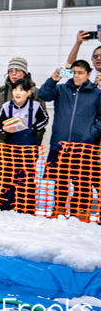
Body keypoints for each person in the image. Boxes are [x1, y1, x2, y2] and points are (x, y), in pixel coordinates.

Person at [38, 60, 101, 220]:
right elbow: (43, 94)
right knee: (60, 180)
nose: (77, 76)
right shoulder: (61, 89)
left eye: (81, 73)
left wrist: (91, 132)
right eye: (73, 72)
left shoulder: (96, 93)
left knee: (83, 182)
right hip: (60, 145)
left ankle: (81, 212)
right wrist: (53, 79)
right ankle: (58, 209)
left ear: (88, 74)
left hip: (84, 146)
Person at [0, 81, 48, 213]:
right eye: (15, 90)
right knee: (9, 176)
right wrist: (4, 128)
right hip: (11, 147)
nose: (17, 93)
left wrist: (34, 128)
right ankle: (6, 206)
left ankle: (27, 208)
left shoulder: (35, 106)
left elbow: (45, 119)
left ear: (28, 92)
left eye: (21, 90)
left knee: (26, 177)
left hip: (29, 147)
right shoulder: (7, 106)